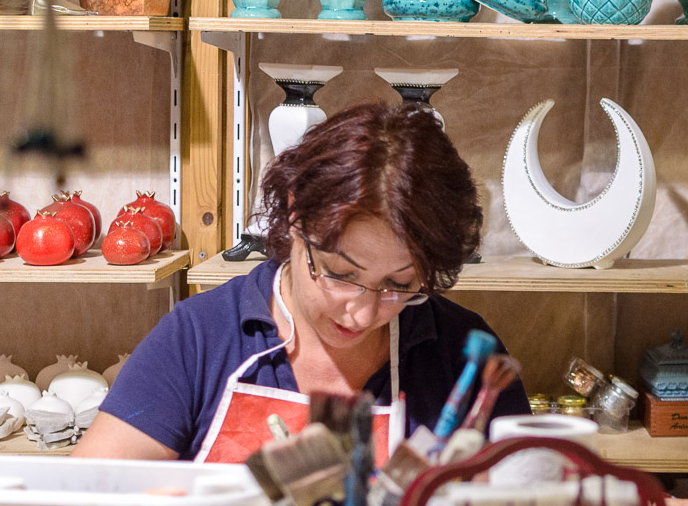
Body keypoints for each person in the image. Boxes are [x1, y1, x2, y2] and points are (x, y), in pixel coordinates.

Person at [77, 102, 531, 461]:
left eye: (399, 283)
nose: (363, 312)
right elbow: (93, 499)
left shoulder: (458, 353)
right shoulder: (200, 338)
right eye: (340, 274)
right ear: (295, 215)